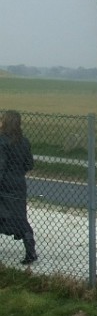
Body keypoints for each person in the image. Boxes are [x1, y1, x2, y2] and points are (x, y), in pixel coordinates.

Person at [0, 110, 37, 263]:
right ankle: (30, 251)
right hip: (19, 184)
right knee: (20, 218)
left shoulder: (1, 141)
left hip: (3, 184)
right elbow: (29, 164)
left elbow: (1, 166)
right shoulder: (24, 141)